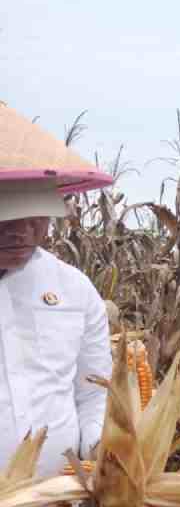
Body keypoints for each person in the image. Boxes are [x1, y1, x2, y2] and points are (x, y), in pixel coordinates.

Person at [0, 104, 115, 478]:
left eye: (35, 218)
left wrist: (99, 447)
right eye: (7, 218)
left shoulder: (75, 289)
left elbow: (94, 392)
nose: (20, 232)